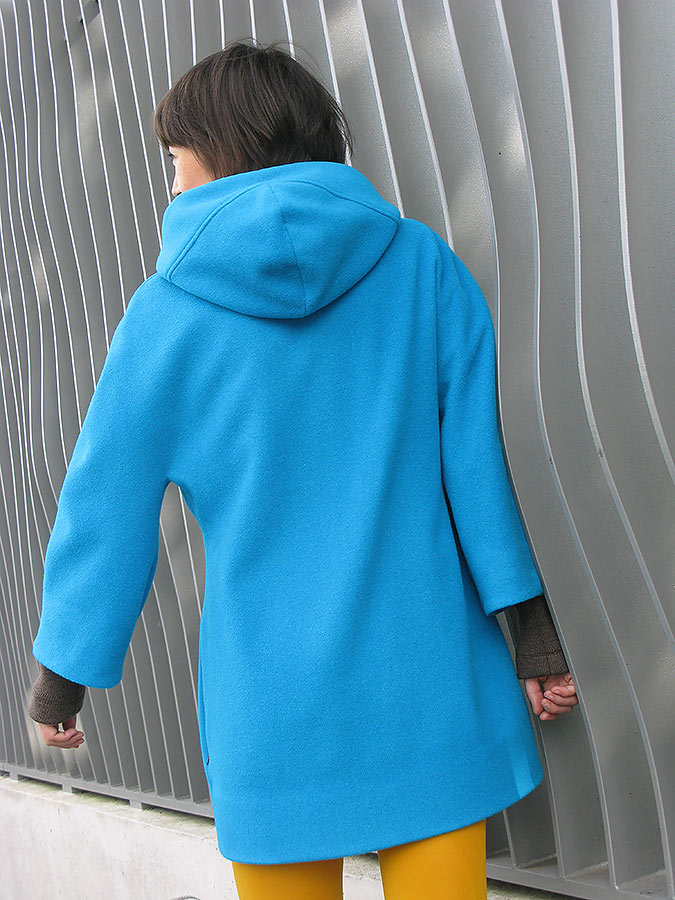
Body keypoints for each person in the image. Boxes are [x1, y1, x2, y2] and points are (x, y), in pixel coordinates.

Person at [28, 38, 578, 900]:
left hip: (270, 710)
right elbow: (477, 466)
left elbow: (106, 508)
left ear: (220, 154)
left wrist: (62, 677)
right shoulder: (420, 265)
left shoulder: (165, 315)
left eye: (173, 159)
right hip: (428, 682)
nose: (170, 184)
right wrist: (532, 634)